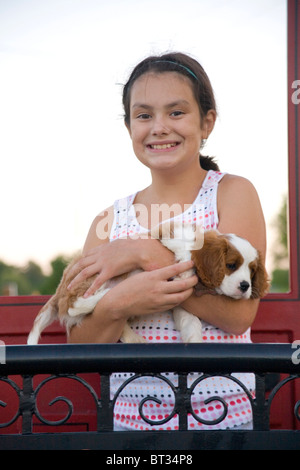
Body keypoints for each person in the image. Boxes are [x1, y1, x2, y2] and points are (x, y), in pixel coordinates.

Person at [67, 52, 266, 431]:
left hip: (225, 419)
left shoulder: (231, 193)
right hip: (131, 424)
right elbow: (80, 339)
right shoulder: (107, 223)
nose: (159, 127)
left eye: (176, 112)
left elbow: (239, 314)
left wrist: (142, 254)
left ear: (206, 122)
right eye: (143, 115)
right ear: (129, 128)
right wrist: (119, 303)